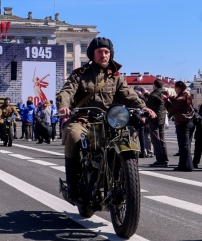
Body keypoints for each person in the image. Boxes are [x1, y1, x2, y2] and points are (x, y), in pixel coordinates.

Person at [55, 37, 150, 199]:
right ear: (92, 54)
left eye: (106, 52)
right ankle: (72, 184)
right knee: (73, 135)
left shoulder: (116, 77)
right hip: (84, 119)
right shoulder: (80, 75)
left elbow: (129, 95)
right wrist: (64, 106)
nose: (103, 55)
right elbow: (66, 92)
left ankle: (125, 176)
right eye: (99, 52)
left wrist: (143, 107)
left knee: (131, 136)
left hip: (111, 121)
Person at [166, 80, 196, 172]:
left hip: (182, 123)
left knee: (183, 145)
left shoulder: (180, 98)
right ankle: (182, 165)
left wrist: (166, 101)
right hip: (190, 122)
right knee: (185, 145)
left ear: (178, 88)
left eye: (175, 87)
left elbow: (171, 109)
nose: (174, 89)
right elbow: (178, 103)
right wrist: (170, 98)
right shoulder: (186, 95)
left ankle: (188, 166)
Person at [146, 78, 169, 167]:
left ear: (155, 86)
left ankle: (160, 160)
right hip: (162, 118)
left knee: (156, 140)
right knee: (162, 140)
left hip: (154, 118)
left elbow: (147, 105)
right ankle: (165, 160)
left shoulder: (153, 95)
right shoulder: (165, 93)